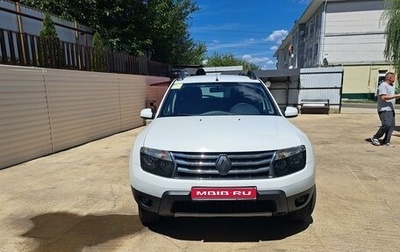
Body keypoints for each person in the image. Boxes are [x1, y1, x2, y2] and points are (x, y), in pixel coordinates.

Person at [371, 72, 400, 146]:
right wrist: (396, 96)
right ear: (390, 78)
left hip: (391, 109)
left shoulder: (391, 86)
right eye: (394, 77)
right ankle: (376, 137)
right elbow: (383, 97)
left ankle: (386, 141)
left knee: (391, 126)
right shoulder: (383, 85)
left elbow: (391, 96)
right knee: (386, 124)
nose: (395, 79)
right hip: (384, 109)